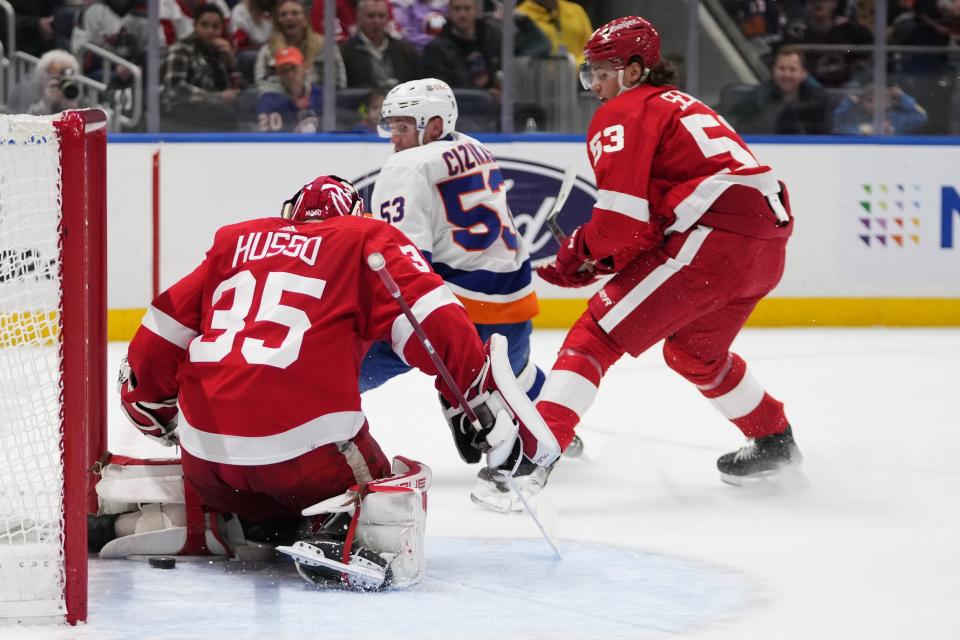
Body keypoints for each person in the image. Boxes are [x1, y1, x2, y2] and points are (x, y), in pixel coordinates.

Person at [112, 174, 559, 588]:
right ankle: (343, 530)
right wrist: (473, 400)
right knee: (396, 482)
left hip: (206, 457)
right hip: (307, 460)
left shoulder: (234, 241)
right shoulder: (366, 238)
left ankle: (233, 520)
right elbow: (434, 321)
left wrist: (151, 405)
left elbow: (159, 330)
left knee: (247, 480)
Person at [514, 16, 802, 500]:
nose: (596, 85)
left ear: (633, 70)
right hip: (762, 246)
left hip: (714, 241)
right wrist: (600, 259)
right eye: (591, 73)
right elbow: (649, 224)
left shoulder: (624, 112)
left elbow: (620, 224)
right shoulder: (681, 104)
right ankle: (772, 438)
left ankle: (534, 455)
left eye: (603, 71)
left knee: (595, 335)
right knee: (693, 353)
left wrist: (576, 256)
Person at [364, 78, 575, 509]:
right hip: (514, 310)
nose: (395, 137)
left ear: (436, 124)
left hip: (458, 317)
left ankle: (304, 433)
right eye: (393, 126)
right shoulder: (475, 147)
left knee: (337, 370)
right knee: (512, 371)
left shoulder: (403, 168)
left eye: (405, 126)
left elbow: (405, 264)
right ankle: (546, 421)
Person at [160, 4, 240, 132]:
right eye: (204, 25)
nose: (210, 31)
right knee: (224, 112)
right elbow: (175, 89)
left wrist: (232, 63)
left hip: (214, 109)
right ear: (195, 25)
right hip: (181, 110)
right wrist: (218, 97)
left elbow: (235, 89)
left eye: (215, 27)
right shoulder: (181, 49)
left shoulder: (221, 51)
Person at [727, 46, 833, 135]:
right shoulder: (756, 99)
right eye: (781, 69)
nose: (786, 75)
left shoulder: (819, 101)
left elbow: (826, 136)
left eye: (792, 69)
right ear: (773, 71)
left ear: (803, 73)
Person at [254, 0, 346, 91]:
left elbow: (339, 82)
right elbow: (261, 84)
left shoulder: (325, 46)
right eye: (283, 15)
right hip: (280, 100)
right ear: (277, 21)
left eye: (295, 14)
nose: (289, 18)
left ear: (306, 19)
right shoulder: (268, 50)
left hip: (320, 101)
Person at [422, 0, 502, 92]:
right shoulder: (436, 49)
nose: (462, 14)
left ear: (476, 10)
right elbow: (438, 89)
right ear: (449, 12)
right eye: (457, 9)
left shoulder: (492, 37)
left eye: (467, 8)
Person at [340, 0, 421, 88]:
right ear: (359, 18)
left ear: (388, 19)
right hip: (363, 101)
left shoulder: (405, 49)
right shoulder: (345, 52)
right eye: (371, 16)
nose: (377, 21)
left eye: (381, 16)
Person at [254, 46, 323, 132]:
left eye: (293, 68)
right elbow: (268, 137)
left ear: (304, 68)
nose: (290, 75)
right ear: (278, 73)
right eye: (284, 71)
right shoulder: (268, 100)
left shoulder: (318, 94)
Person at [516, 0, 592, 66]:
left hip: (578, 76)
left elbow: (590, 48)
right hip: (541, 78)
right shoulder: (521, 17)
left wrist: (575, 65)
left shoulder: (576, 11)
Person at [832, 84, 928, 135]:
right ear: (862, 103)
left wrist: (902, 96)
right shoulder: (855, 120)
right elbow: (837, 122)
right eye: (870, 100)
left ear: (889, 102)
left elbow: (921, 117)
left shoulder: (897, 119)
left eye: (882, 99)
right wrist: (849, 102)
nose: (876, 104)